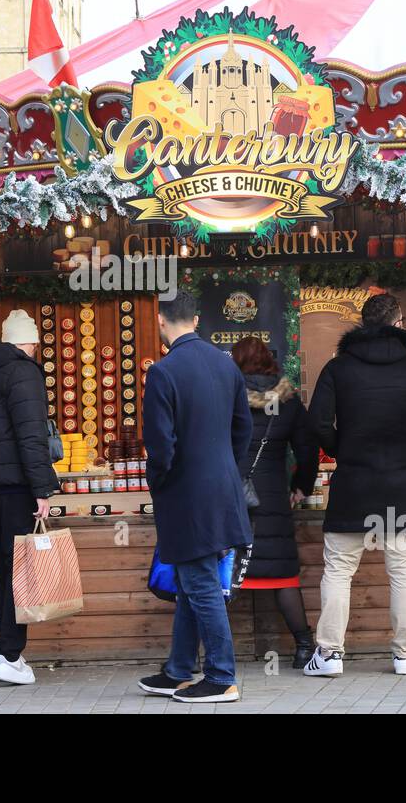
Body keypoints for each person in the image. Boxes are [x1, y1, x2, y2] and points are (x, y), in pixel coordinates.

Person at [305, 293, 406, 677]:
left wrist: (343, 449)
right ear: (399, 323)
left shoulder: (338, 369)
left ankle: (330, 655)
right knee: (404, 572)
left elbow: (319, 423)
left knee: (338, 571)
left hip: (352, 485)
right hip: (400, 486)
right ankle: (405, 656)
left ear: (363, 323)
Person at [136, 290, 253, 704]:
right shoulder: (226, 367)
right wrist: (227, 472)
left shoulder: (164, 373)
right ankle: (179, 671)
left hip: (186, 496)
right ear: (198, 320)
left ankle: (221, 677)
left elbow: (160, 446)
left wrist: (160, 483)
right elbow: (244, 430)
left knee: (201, 585)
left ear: (162, 323)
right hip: (223, 491)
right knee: (191, 582)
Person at [0, 309, 59, 686]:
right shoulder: (23, 372)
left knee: (3, 572)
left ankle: (7, 653)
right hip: (17, 487)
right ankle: (8, 655)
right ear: (31, 341)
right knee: (19, 573)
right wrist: (42, 489)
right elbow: (31, 435)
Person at [229, 335, 320, 669]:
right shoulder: (289, 401)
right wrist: (300, 487)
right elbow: (308, 451)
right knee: (283, 576)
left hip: (231, 496)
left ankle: (206, 654)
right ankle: (304, 647)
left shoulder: (226, 397)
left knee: (221, 574)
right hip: (272, 496)